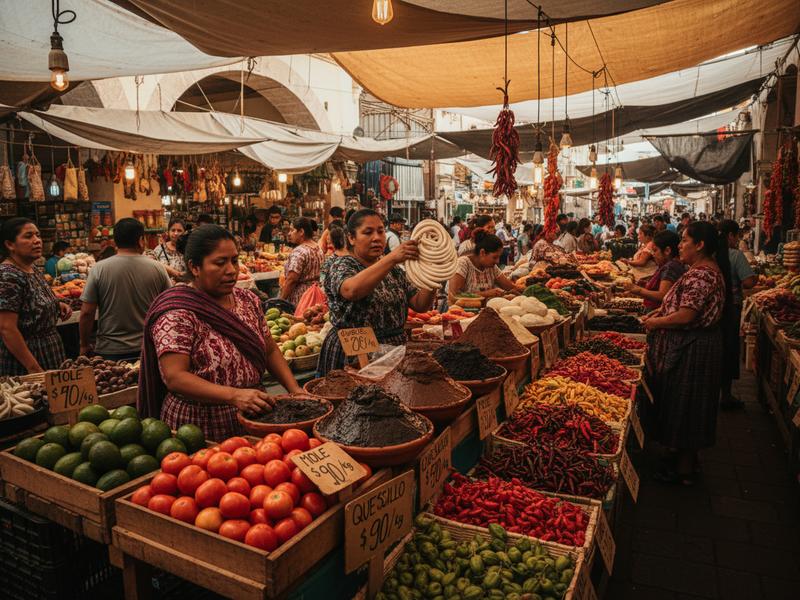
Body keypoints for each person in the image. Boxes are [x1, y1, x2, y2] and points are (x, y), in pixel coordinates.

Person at [138, 225, 302, 441]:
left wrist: (295, 389)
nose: (232, 270)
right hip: (198, 426)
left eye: (234, 260)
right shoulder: (178, 311)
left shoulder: (247, 300)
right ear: (195, 267)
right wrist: (234, 396)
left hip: (255, 414)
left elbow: (269, 349)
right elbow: (175, 377)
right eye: (220, 262)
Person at [643, 222, 730, 485]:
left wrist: (656, 322)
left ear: (700, 245)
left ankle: (683, 471)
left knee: (688, 405)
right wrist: (660, 312)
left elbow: (687, 314)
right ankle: (683, 460)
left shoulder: (703, 275)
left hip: (694, 349)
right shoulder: (700, 270)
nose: (680, 245)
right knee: (685, 405)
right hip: (693, 345)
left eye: (684, 241)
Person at [318, 209, 436, 375]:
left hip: (392, 353)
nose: (377, 238)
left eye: (381, 231)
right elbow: (351, 290)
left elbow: (420, 304)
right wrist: (392, 258)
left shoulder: (393, 270)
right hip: (353, 354)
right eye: (368, 232)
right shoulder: (341, 265)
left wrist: (434, 275)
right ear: (351, 238)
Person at [79, 218, 172, 362]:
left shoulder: (99, 269)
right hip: (148, 347)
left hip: (110, 349)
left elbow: (86, 313)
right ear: (141, 240)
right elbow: (169, 308)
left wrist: (84, 345)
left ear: (115, 241)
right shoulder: (157, 268)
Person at [0, 218, 71, 374]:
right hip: (27, 362)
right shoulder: (8, 276)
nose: (37, 240)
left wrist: (56, 304)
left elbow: (31, 301)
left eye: (37, 235)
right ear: (10, 244)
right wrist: (34, 368)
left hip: (49, 353)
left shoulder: (31, 269)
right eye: (28, 236)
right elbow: (6, 328)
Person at [719, 220, 757, 409]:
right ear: (731, 236)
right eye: (737, 236)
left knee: (715, 349)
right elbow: (749, 282)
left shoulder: (710, 254)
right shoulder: (736, 256)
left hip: (712, 309)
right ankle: (725, 395)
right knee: (729, 348)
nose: (737, 240)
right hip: (730, 309)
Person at [624, 230, 685, 310]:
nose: (653, 254)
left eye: (655, 250)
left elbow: (663, 295)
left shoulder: (671, 266)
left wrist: (638, 290)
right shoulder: (669, 265)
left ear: (667, 251)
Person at [448, 230, 517, 301]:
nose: (497, 261)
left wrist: (523, 289)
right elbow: (454, 295)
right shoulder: (463, 263)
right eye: (495, 257)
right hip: (460, 311)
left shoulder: (491, 267)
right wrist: (486, 293)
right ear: (482, 252)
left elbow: (510, 287)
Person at [279, 218, 325, 307]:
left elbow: (291, 280)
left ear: (301, 232)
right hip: (316, 295)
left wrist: (281, 301)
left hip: (301, 298)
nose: (289, 233)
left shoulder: (299, 252)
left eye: (292, 230)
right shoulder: (318, 248)